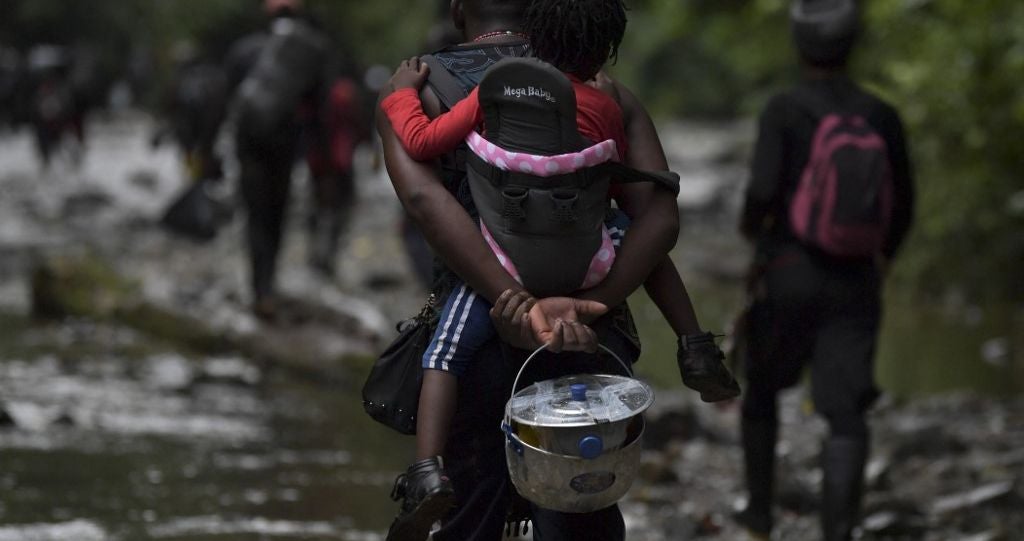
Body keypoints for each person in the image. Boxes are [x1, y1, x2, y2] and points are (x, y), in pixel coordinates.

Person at [379, 3, 739, 538]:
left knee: (470, 513)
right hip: (590, 328)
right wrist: (598, 298)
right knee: (581, 507)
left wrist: (518, 301)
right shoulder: (607, 93)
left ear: (458, 9)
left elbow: (424, 201)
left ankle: (424, 478)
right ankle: (697, 345)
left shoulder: (423, 87)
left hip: (480, 331)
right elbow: (658, 217)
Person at [733, 1, 915, 540]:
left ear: (799, 44)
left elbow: (762, 191)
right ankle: (838, 531)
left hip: (787, 272)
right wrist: (883, 256)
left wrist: (755, 237)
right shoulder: (880, 114)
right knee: (847, 413)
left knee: (761, 390)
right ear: (852, 44)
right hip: (856, 279)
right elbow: (903, 203)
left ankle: (760, 515)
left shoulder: (784, 109)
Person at [225, 0, 332, 318]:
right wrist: (322, 163)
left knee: (254, 213)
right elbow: (319, 113)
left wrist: (207, 153)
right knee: (277, 210)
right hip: (286, 143)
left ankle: (259, 288)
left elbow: (226, 102)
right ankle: (269, 284)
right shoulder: (311, 51)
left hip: (249, 144)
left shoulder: (243, 49)